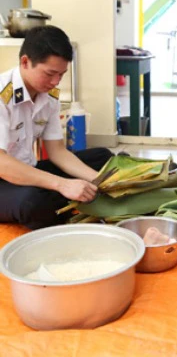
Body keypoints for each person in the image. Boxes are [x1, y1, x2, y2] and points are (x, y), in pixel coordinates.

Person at [0, 26, 113, 230]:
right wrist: (62, 184)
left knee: (102, 157)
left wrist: (99, 181)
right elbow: (2, 164)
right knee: (32, 202)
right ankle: (58, 201)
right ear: (25, 62)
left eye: (61, 75)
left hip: (29, 171)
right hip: (3, 180)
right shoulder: (2, 95)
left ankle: (63, 199)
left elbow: (57, 151)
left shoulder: (48, 96)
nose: (55, 82)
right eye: (50, 73)